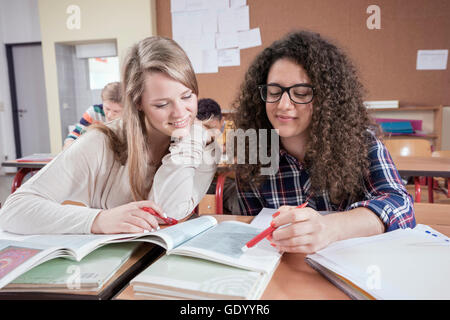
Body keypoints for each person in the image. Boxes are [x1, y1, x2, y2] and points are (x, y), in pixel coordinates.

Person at [0, 36, 217, 234]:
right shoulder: (102, 142)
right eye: (161, 104)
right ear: (138, 103)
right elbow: (12, 211)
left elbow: (169, 211)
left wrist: (190, 139)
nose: (180, 113)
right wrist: (99, 220)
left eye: (187, 96)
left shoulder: (202, 145)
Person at [232, 30, 415, 253]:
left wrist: (331, 227)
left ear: (326, 99)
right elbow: (255, 230)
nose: (283, 105)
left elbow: (401, 206)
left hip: (353, 268)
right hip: (284, 274)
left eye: (300, 93)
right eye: (273, 91)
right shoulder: (252, 152)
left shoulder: (360, 142)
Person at [63, 82, 123, 150]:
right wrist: (69, 143)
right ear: (102, 102)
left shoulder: (129, 118)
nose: (109, 115)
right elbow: (76, 133)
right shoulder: (94, 112)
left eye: (116, 111)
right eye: (107, 109)